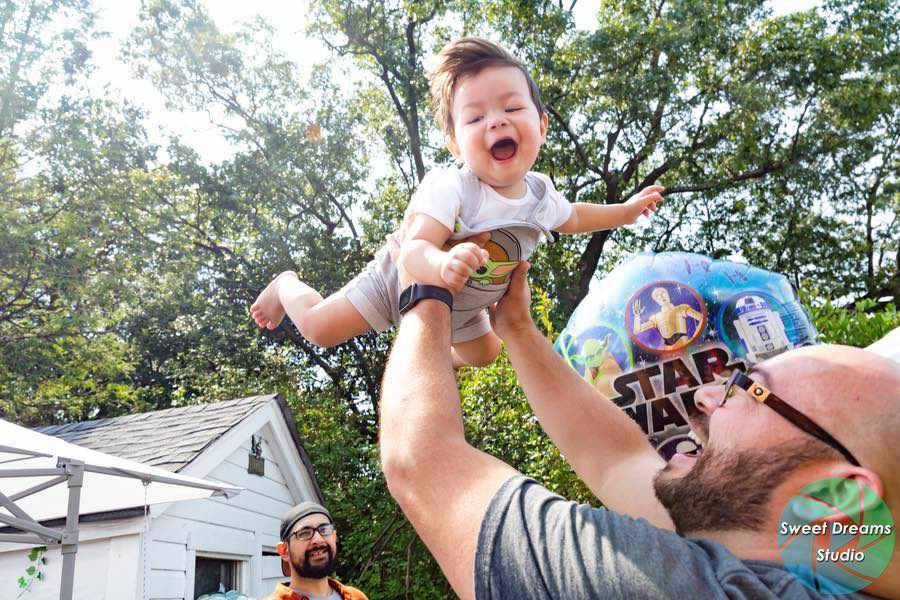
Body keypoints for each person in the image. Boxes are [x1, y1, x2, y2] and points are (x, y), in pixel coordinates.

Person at [378, 260, 900, 599]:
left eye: (747, 385)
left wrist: (423, 290)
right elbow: (620, 461)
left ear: (838, 500)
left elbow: (423, 463)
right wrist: (517, 328)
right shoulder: (831, 565)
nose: (704, 394)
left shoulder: (684, 590)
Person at [250, 37, 663, 367]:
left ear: (541, 125)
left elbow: (574, 216)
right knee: (322, 329)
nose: (496, 120)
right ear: (454, 142)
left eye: (512, 107)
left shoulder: (539, 195)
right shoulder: (452, 186)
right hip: (399, 281)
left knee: (485, 354)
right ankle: (286, 285)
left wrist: (625, 212)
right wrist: (442, 265)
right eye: (475, 117)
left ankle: (427, 351)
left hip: (465, 305)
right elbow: (415, 250)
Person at [265, 501, 368, 600]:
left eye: (324, 530)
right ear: (284, 550)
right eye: (305, 533)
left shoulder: (356, 597)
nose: (318, 539)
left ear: (334, 537)